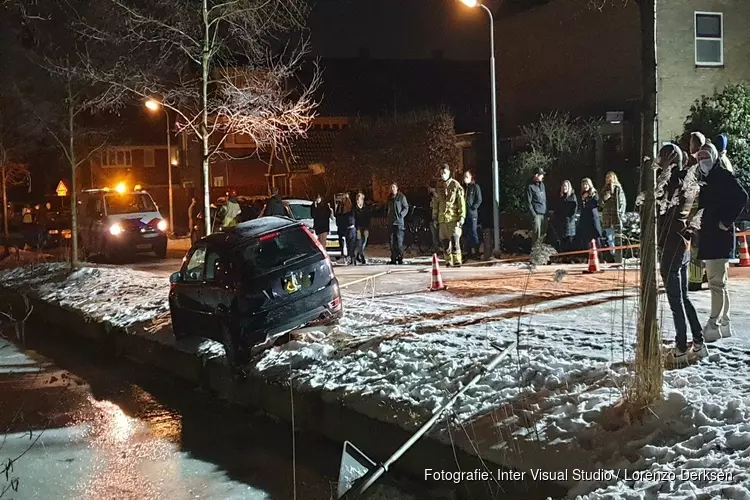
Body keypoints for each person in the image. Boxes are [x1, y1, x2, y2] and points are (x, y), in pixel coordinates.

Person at [656, 144, 707, 363]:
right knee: (683, 297)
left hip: (670, 244)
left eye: (661, 158)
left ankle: (680, 346)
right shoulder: (686, 182)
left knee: (675, 299)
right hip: (682, 242)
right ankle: (698, 341)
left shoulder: (673, 183)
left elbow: (658, 207)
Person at [696, 142, 748, 342]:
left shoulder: (723, 176)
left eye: (706, 156)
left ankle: (713, 323)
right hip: (711, 235)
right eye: (700, 158)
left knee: (716, 284)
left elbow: (741, 196)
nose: (703, 161)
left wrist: (725, 222)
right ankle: (724, 323)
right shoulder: (708, 177)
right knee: (720, 283)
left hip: (718, 236)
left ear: (715, 156)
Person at [434, 164, 466, 267]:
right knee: (445, 242)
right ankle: (448, 261)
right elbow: (436, 203)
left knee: (455, 240)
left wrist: (462, 216)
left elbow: (461, 202)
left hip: (453, 218)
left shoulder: (455, 185)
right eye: (441, 173)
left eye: (444, 173)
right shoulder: (439, 187)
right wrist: (435, 218)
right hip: (442, 219)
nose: (443, 175)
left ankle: (457, 261)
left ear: (449, 173)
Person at [687, 132, 708, 291]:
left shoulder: (698, 165)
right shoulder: (709, 161)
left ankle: (695, 280)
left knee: (695, 246)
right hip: (705, 213)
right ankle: (706, 273)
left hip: (697, 214)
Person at [599, 171, 627, 263]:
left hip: (616, 217)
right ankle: (613, 255)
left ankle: (618, 257)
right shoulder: (604, 190)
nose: (608, 179)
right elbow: (600, 204)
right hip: (607, 217)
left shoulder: (618, 189)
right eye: (607, 177)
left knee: (618, 237)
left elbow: (622, 202)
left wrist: (621, 214)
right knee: (610, 238)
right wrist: (604, 199)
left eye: (610, 177)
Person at [552, 180, 578, 253]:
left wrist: (569, 218)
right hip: (561, 223)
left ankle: (569, 256)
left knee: (569, 241)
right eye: (563, 186)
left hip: (569, 222)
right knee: (562, 241)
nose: (564, 188)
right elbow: (557, 210)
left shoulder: (572, 196)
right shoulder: (560, 197)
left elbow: (574, 209)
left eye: (566, 186)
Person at [387, 183, 409, 265]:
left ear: (397, 188)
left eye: (394, 187)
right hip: (391, 223)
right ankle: (393, 258)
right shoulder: (389, 198)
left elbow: (406, 207)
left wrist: (401, 215)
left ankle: (400, 258)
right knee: (392, 242)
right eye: (391, 187)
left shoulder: (401, 197)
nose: (392, 189)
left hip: (399, 223)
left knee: (399, 242)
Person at [462, 170, 483, 260]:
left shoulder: (475, 187)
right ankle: (469, 251)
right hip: (465, 213)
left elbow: (479, 199)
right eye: (464, 177)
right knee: (466, 232)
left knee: (473, 231)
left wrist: (473, 207)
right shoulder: (465, 188)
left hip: (472, 214)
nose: (465, 179)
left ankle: (477, 250)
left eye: (467, 177)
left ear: (471, 177)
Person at [577, 178, 602, 250]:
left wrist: (588, 198)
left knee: (596, 237)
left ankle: (600, 255)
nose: (585, 186)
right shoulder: (582, 195)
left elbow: (596, 204)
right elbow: (580, 206)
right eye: (583, 184)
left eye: (586, 184)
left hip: (592, 218)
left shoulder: (594, 193)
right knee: (586, 238)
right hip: (584, 219)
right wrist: (582, 199)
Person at [527, 168, 547, 246]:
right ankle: (535, 254)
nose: (543, 176)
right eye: (541, 174)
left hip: (544, 213)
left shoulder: (542, 185)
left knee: (543, 235)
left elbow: (544, 199)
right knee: (537, 235)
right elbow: (528, 202)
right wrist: (534, 215)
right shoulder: (530, 186)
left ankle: (541, 254)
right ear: (536, 175)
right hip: (536, 214)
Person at [336, 193, 357, 265]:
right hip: (342, 227)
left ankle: (351, 258)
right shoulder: (340, 207)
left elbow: (352, 217)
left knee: (350, 244)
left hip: (349, 227)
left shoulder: (350, 207)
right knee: (343, 243)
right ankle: (346, 257)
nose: (343, 200)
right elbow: (338, 216)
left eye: (344, 198)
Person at [353, 192, 370, 265]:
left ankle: (357, 255)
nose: (357, 200)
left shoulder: (365, 208)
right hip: (358, 227)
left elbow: (368, 218)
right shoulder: (354, 209)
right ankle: (362, 257)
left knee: (364, 242)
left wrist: (367, 228)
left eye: (358, 199)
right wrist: (356, 228)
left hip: (365, 227)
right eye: (357, 198)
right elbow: (353, 219)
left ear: (362, 200)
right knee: (359, 243)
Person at [428, 184, 440, 253]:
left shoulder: (436, 197)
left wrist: (435, 219)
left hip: (436, 218)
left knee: (436, 235)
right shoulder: (431, 197)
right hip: (432, 218)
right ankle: (436, 249)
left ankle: (437, 249)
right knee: (434, 235)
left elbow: (435, 208)